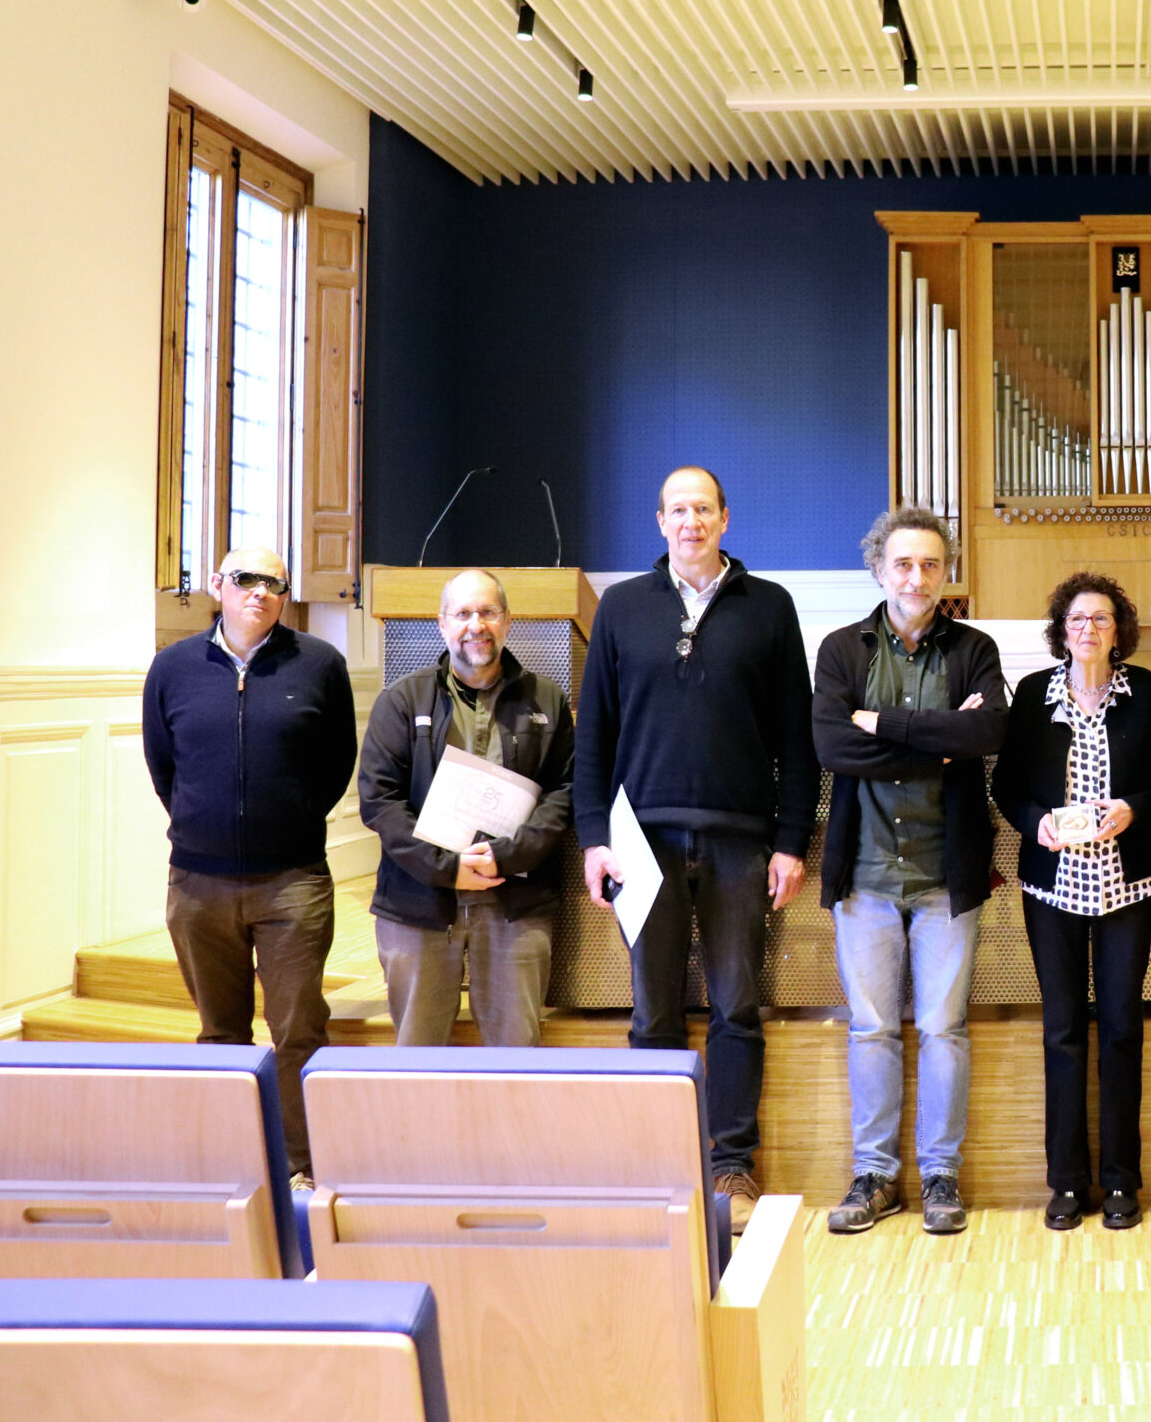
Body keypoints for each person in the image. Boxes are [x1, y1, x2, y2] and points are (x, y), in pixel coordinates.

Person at [575, 466, 817, 1233]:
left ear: (724, 519)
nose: (691, 521)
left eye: (703, 508)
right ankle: (659, 1162)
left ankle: (730, 1168)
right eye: (677, 509)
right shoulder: (621, 607)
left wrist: (790, 841)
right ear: (660, 521)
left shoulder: (769, 607)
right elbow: (594, 736)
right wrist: (592, 839)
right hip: (639, 842)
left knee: (736, 1007)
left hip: (741, 842)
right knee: (653, 1011)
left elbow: (797, 741)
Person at [812, 507, 1006, 1237]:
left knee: (943, 1027)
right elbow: (833, 746)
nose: (916, 576)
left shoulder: (974, 649)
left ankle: (940, 1175)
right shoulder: (841, 650)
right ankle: (874, 1175)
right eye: (902, 563)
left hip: (945, 874)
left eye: (929, 564)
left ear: (945, 570)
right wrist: (938, 738)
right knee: (870, 1030)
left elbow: (985, 733)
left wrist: (881, 723)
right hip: (863, 874)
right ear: (878, 568)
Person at [142, 546, 357, 1183]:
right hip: (198, 885)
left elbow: (334, 764)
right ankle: (233, 1161)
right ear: (218, 586)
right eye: (244, 580)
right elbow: (164, 767)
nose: (259, 592)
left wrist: (285, 820)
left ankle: (301, 1166)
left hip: (292, 882)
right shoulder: (172, 668)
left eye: (274, 583)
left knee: (298, 1031)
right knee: (220, 1031)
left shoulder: (320, 665)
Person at [994, 573, 1151, 1233]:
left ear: (1119, 630)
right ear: (1061, 630)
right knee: (1064, 1030)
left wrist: (1135, 809)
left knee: (1123, 1027)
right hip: (1053, 886)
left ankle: (1123, 1181)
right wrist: (1034, 821)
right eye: (1078, 619)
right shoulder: (1032, 695)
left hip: (1126, 884)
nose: (1089, 629)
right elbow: (1006, 784)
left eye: (1101, 619)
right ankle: (1068, 1182)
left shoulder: (1147, 693)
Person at [357, 569, 575, 1047]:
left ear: (507, 621)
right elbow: (379, 801)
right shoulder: (401, 700)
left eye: (488, 612)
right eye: (463, 613)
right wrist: (446, 867)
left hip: (514, 902)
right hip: (418, 902)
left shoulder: (548, 700)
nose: (476, 624)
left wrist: (508, 856)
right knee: (417, 1056)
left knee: (517, 1055)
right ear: (441, 623)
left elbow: (563, 791)